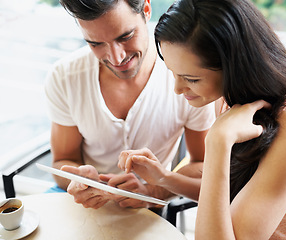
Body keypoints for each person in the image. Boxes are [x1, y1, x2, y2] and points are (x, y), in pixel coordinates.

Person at [119, 0, 286, 239]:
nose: (177, 88)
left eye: (191, 79)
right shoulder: (233, 100)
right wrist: (163, 179)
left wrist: (218, 141)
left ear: (236, 67)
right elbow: (223, 197)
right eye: (172, 72)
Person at [44, 0, 215, 209]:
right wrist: (80, 178)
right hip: (85, 206)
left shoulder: (187, 76)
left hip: (151, 207)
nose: (117, 58)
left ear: (146, 9)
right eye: (96, 44)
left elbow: (203, 164)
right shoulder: (65, 76)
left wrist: (152, 191)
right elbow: (62, 161)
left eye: (125, 36)